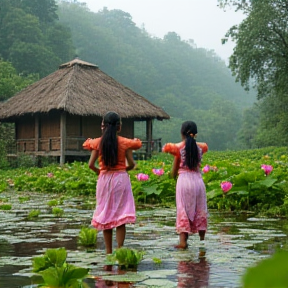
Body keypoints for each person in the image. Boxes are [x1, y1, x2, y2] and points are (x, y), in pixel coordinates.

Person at [83, 111, 142, 254]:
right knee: (121, 216)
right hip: (121, 178)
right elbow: (132, 164)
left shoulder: (97, 143)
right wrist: (123, 169)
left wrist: (101, 172)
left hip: (104, 179)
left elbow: (91, 164)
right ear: (119, 127)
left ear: (102, 126)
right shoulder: (124, 143)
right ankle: (120, 250)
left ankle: (108, 252)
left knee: (106, 214)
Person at [162, 121, 208, 249]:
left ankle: (183, 242)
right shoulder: (201, 148)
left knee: (184, 209)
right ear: (195, 134)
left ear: (182, 133)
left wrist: (171, 175)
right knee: (200, 208)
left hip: (184, 180)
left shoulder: (178, 148)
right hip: (198, 181)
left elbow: (174, 170)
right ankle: (202, 240)